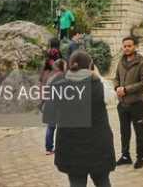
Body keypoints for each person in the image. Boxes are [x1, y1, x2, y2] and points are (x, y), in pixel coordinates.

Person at [53, 52, 115, 187]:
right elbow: (112, 97)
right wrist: (97, 75)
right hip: (98, 146)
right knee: (103, 181)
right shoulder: (100, 85)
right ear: (90, 67)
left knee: (76, 182)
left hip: (71, 147)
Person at [113, 37, 143, 169]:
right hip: (122, 104)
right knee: (124, 131)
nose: (127, 48)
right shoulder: (120, 62)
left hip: (136, 104)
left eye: (129, 46)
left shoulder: (141, 62)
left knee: (139, 130)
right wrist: (117, 87)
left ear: (135, 46)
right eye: (125, 46)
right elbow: (116, 78)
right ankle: (125, 156)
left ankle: (141, 157)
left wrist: (126, 90)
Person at [42, 59, 66, 155]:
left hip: (49, 103)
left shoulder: (50, 78)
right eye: (65, 65)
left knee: (50, 127)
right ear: (62, 67)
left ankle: (48, 148)